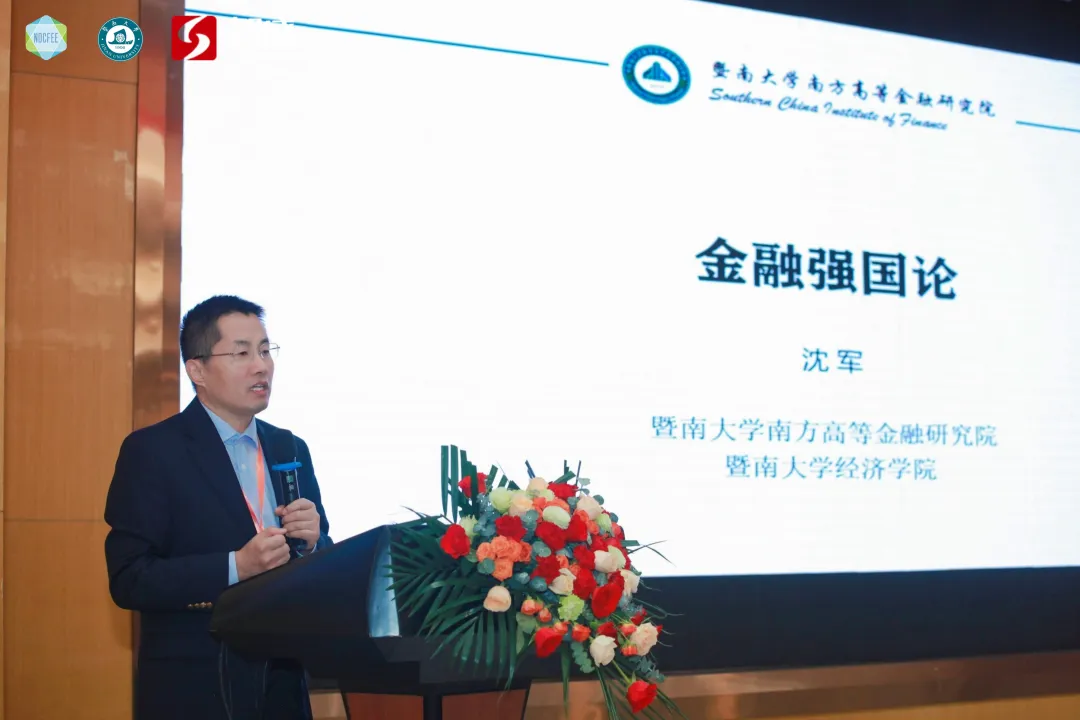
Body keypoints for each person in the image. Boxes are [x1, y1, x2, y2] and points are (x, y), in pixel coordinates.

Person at [104, 295, 332, 720]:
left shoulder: (289, 446)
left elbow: (319, 558)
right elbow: (130, 578)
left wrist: (315, 544)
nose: (261, 366)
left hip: (282, 686)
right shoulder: (153, 451)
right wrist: (235, 567)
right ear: (197, 370)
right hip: (195, 688)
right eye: (241, 353)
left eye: (265, 350)